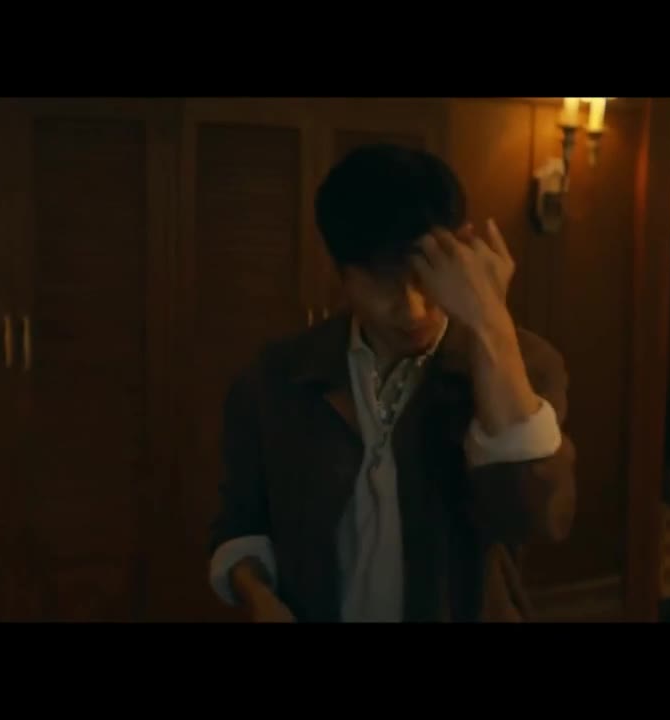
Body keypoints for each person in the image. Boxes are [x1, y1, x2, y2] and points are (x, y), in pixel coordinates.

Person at [207, 143, 577, 622]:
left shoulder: (522, 362)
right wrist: (257, 594)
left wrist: (490, 325)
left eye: (424, 279)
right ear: (341, 273)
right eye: (384, 283)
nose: (413, 310)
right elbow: (241, 520)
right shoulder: (278, 375)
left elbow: (535, 519)